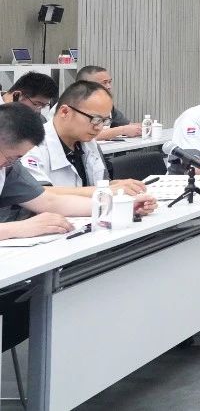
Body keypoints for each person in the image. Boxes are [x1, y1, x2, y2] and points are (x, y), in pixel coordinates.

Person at [0, 104, 99, 351]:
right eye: (9, 156)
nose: (8, 163)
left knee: (33, 301)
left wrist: (108, 205)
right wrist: (19, 228)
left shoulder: (9, 167)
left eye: (16, 159)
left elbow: (49, 201)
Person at [21, 80, 155, 214]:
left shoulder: (88, 142)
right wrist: (106, 190)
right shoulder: (30, 144)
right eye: (95, 119)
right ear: (65, 112)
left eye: (104, 121)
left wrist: (123, 191)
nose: (99, 127)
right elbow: (37, 193)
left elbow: (100, 184)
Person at [75, 65, 144, 140]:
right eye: (104, 83)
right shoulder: (75, 107)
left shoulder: (107, 106)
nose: (109, 86)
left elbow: (128, 126)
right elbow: (85, 135)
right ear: (86, 85)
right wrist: (122, 130)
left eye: (109, 82)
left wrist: (148, 126)